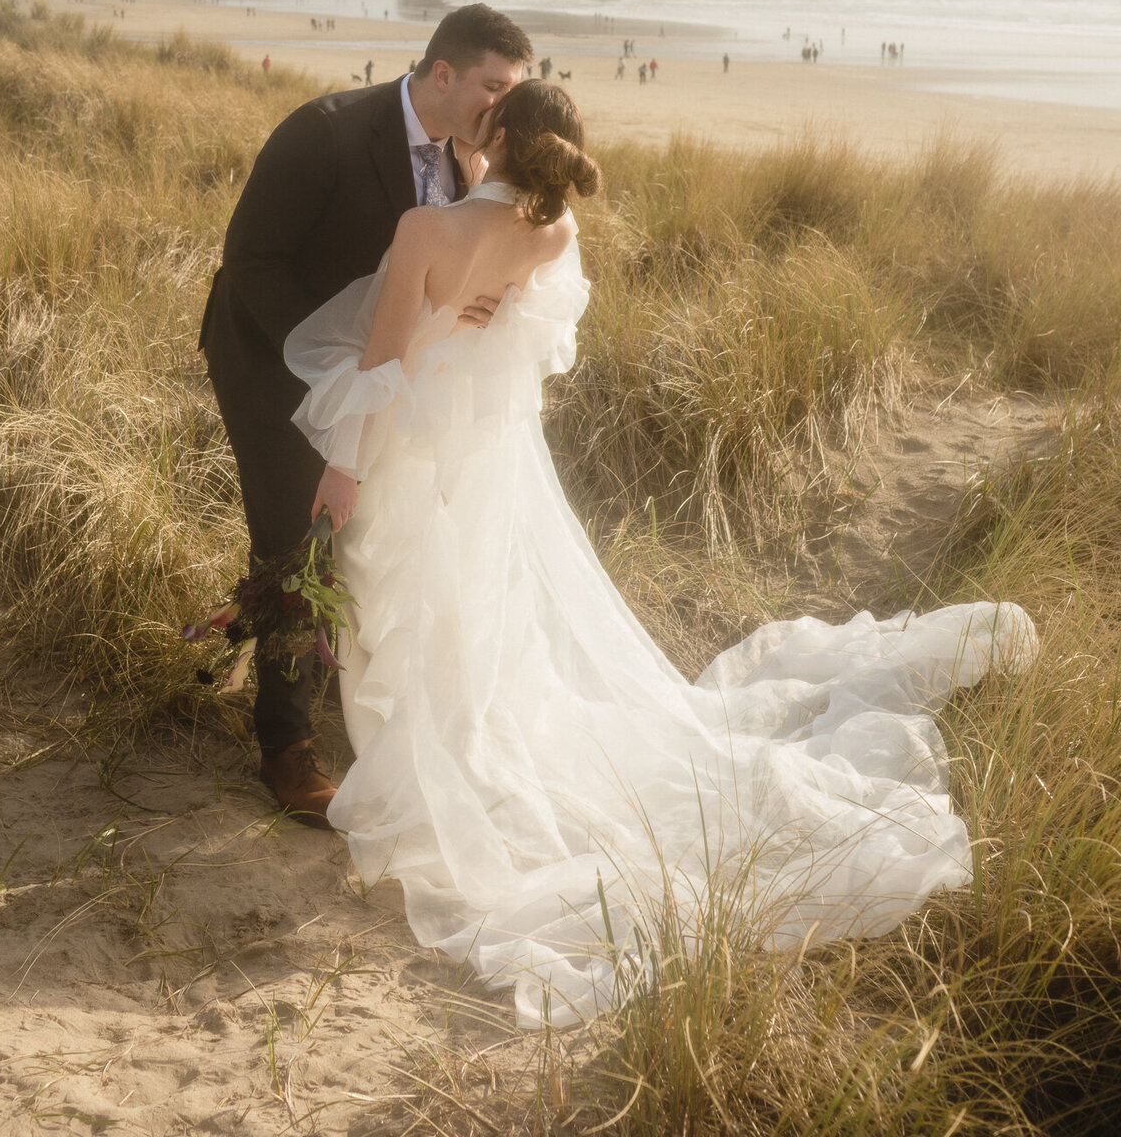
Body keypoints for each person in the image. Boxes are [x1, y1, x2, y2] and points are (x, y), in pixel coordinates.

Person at [284, 80, 1036, 1028]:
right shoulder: (551, 235)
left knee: (411, 594)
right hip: (492, 454)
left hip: (417, 447)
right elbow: (523, 323)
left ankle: (435, 756)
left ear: (499, 135)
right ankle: (465, 737)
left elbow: (383, 366)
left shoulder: (422, 233)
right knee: (482, 598)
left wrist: (342, 472)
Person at [200, 3, 532, 822]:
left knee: (362, 531)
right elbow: (250, 260)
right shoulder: (324, 130)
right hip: (270, 363)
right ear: (443, 73)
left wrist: (473, 310)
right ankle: (285, 750)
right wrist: (331, 370)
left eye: (515, 91)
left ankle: (349, 706)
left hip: (377, 386)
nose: (502, 107)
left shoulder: (471, 162)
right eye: (493, 86)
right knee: (296, 539)